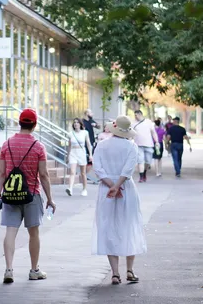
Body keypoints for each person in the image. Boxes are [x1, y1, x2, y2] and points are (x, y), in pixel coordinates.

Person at [0, 108, 57, 284]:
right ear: (35, 124)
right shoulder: (38, 147)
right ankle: (34, 270)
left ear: (19, 123)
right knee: (34, 233)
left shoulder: (6, 144)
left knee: (10, 231)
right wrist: (50, 199)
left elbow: (1, 173)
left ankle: (8, 269)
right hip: (32, 195)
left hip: (10, 195)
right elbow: (44, 175)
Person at [92, 115, 147, 285]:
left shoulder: (101, 145)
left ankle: (115, 273)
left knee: (109, 227)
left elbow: (98, 168)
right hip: (126, 188)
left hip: (106, 190)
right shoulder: (131, 146)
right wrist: (118, 185)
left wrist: (111, 186)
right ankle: (129, 270)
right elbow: (128, 169)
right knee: (129, 226)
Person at [66, 118, 93, 197]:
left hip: (81, 152)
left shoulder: (85, 132)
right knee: (72, 171)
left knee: (83, 173)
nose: (76, 124)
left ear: (80, 124)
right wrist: (68, 156)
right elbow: (69, 146)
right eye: (74, 122)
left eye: (77, 122)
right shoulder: (70, 134)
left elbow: (88, 144)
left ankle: (84, 189)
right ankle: (70, 188)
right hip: (73, 153)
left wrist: (91, 155)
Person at [132, 110, 159, 183]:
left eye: (136, 115)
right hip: (138, 145)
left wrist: (156, 141)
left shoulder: (148, 122)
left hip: (148, 145)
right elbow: (131, 133)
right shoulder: (133, 123)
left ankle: (144, 173)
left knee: (148, 162)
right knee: (140, 161)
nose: (135, 116)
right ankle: (141, 177)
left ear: (140, 114)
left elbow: (153, 132)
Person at [82, 109, 101, 173]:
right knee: (86, 158)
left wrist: (95, 125)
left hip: (91, 141)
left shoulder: (91, 121)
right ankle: (83, 173)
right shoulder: (83, 122)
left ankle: (85, 174)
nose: (92, 114)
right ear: (87, 113)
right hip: (85, 143)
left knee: (91, 159)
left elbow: (99, 127)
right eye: (91, 112)